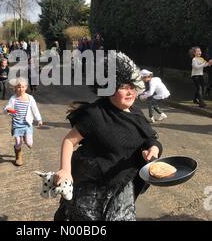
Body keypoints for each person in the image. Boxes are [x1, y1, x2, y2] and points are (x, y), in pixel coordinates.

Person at [53, 52, 163, 221]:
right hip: (92, 187)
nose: (130, 92)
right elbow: (69, 141)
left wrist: (152, 150)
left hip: (122, 186)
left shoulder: (135, 111)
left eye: (132, 86)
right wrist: (65, 170)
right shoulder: (95, 115)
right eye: (122, 87)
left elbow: (149, 138)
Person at [4, 78, 43, 166]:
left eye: (22, 87)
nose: (20, 89)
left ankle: (25, 138)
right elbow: (6, 108)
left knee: (30, 143)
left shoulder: (30, 98)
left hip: (27, 123)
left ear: (26, 87)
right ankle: (18, 155)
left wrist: (39, 119)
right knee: (18, 142)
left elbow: (35, 109)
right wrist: (9, 110)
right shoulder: (13, 98)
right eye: (18, 87)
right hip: (17, 123)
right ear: (15, 88)